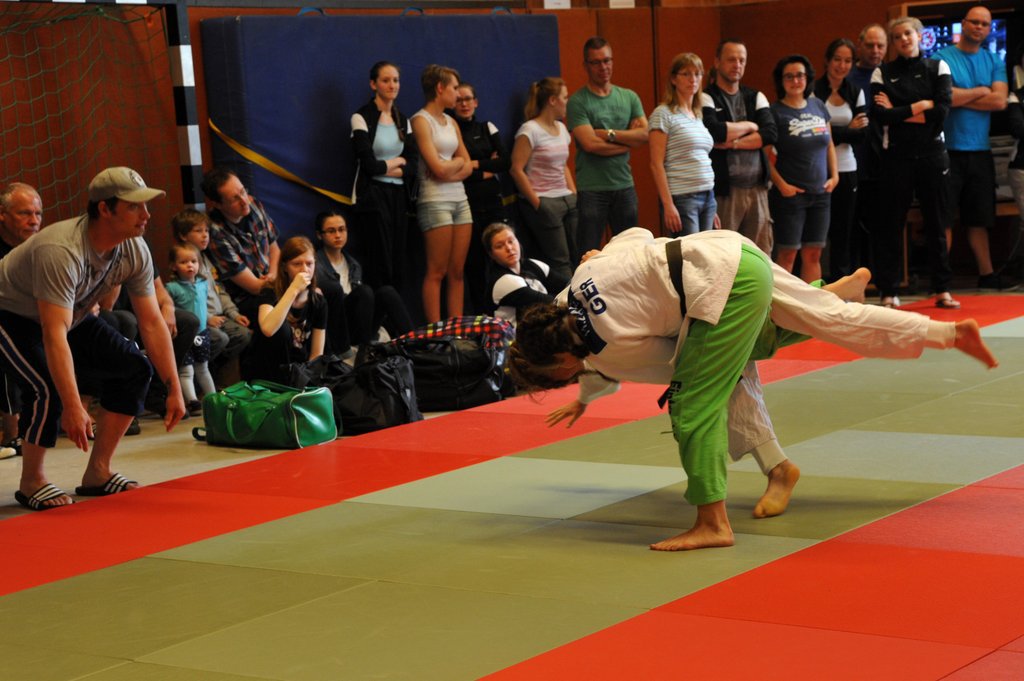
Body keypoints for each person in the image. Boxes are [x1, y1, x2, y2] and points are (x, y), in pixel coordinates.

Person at [510, 227, 997, 551]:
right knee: (827, 319)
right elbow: (636, 234)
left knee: (694, 404)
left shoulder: (603, 345)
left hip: (720, 288)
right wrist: (604, 258)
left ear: (561, 358)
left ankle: (712, 523)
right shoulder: (577, 282)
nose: (565, 380)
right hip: (729, 251)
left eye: (557, 377)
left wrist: (595, 392)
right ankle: (945, 332)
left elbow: (681, 367)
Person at [0, 167, 185, 510]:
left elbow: (151, 322)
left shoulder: (134, 249)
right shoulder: (61, 249)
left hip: (69, 316)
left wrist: (173, 386)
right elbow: (54, 334)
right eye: (134, 206)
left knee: (134, 368)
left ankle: (98, 472)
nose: (146, 215)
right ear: (104, 209)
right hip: (9, 315)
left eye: (146, 206)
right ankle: (31, 480)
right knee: (46, 387)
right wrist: (73, 405)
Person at [871, 16, 959, 309]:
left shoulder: (938, 67)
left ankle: (942, 289)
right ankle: (888, 291)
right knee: (891, 224)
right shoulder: (882, 72)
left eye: (908, 34)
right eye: (897, 37)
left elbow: (942, 111)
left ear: (919, 36)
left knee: (937, 222)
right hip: (896, 157)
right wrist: (921, 106)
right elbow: (881, 116)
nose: (903, 40)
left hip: (933, 155)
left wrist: (900, 111)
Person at [935, 6, 1010, 290]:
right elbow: (944, 97)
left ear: (989, 29)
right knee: (944, 218)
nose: (979, 27)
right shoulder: (941, 57)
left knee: (979, 218)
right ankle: (942, 279)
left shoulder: (993, 60)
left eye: (984, 24)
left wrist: (962, 96)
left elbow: (1000, 101)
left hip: (980, 151)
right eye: (974, 22)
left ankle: (987, 275)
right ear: (964, 24)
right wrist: (981, 91)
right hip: (947, 151)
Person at [567, 36, 648, 261]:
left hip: (624, 185)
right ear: (585, 65)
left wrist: (608, 134)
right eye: (596, 62)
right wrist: (627, 143)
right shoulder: (578, 101)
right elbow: (590, 144)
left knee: (631, 254)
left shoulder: (629, 97)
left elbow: (644, 135)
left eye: (607, 60)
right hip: (592, 189)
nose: (603, 67)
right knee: (587, 255)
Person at [767, 54, 839, 283]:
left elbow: (829, 144)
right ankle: (783, 304)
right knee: (787, 255)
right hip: (791, 197)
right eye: (789, 76)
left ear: (807, 78)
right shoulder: (774, 112)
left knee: (814, 254)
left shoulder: (818, 106)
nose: (795, 81)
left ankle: (811, 303)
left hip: (821, 194)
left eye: (800, 75)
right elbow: (764, 157)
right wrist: (782, 185)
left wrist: (835, 176)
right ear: (781, 81)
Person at [411, 64, 474, 323]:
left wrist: (450, 167)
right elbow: (435, 168)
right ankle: (435, 330)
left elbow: (467, 164)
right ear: (440, 88)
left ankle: (455, 328)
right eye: (454, 88)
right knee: (437, 271)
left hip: (460, 199)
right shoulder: (420, 120)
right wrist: (451, 165)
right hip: (434, 201)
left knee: (457, 271)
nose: (458, 94)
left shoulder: (451, 122)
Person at [701, 39, 776, 254]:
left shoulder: (756, 96)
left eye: (742, 60)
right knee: (725, 254)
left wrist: (733, 143)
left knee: (760, 254)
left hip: (758, 190)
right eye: (731, 59)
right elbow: (714, 132)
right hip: (726, 192)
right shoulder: (706, 97)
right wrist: (751, 126)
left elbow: (770, 133)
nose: (737, 65)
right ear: (717, 62)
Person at [350, 60, 417, 291]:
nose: (392, 85)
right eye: (386, 80)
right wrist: (398, 161)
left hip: (399, 194)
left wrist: (390, 166)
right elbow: (369, 166)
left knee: (398, 259)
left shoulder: (403, 120)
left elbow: (413, 164)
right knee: (380, 260)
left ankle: (396, 310)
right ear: (373, 84)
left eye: (395, 80)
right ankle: (380, 310)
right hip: (373, 196)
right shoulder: (361, 117)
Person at [171, 209, 252, 386]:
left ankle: (211, 372)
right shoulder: (186, 266)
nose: (205, 235)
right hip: (201, 321)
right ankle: (197, 376)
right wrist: (207, 318)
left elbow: (219, 289)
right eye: (198, 231)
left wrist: (233, 313)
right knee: (219, 339)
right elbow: (187, 301)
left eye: (206, 230)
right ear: (183, 235)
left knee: (243, 335)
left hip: (219, 316)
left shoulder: (205, 260)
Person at [510, 77, 578, 281]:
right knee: (560, 260)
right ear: (552, 100)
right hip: (545, 201)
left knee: (578, 253)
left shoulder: (561, 128)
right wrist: (538, 203)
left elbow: (563, 165)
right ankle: (569, 299)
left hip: (567, 199)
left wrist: (573, 193)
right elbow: (516, 169)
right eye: (565, 97)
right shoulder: (530, 130)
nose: (567, 102)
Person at [452, 82, 511, 313]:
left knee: (502, 257)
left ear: (475, 102)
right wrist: (487, 168)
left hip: (494, 204)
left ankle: (505, 309)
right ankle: (482, 315)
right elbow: (458, 172)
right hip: (469, 205)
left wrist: (473, 164)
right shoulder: (451, 131)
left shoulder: (487, 127)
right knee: (475, 264)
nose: (464, 104)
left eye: (468, 99)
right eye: (458, 99)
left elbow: (505, 162)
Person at [313, 211, 412, 349]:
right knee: (364, 292)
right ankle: (365, 351)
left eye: (342, 229)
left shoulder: (354, 264)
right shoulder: (315, 264)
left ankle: (415, 343)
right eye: (331, 231)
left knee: (387, 292)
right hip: (336, 327)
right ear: (319, 235)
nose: (338, 235)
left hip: (360, 325)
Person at [813, 39, 868, 281]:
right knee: (817, 233)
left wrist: (833, 133)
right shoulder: (814, 91)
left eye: (847, 61)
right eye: (837, 59)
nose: (842, 65)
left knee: (844, 232)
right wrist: (847, 129)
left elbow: (862, 135)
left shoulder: (855, 92)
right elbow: (814, 133)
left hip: (847, 167)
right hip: (818, 170)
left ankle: (841, 284)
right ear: (827, 61)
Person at [241, 236, 326, 385]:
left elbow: (316, 354)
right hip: (267, 371)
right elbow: (268, 329)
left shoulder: (318, 301)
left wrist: (308, 380)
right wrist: (293, 289)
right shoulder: (269, 291)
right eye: (297, 264)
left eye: (309, 263)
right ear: (285, 267)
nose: (304, 269)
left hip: (297, 372)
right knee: (281, 328)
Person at [649, 52, 717, 236]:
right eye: (686, 74)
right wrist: (668, 204)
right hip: (683, 197)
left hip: (708, 195)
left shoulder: (697, 114)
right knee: (690, 251)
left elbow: (700, 157)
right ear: (673, 79)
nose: (693, 79)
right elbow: (656, 164)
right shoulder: (663, 113)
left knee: (707, 250)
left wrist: (712, 204)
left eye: (697, 74)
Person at [201, 167, 280, 320]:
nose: (244, 201)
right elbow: (254, 287)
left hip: (272, 279)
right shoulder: (215, 233)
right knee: (282, 305)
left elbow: (275, 249)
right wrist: (279, 283)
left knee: (314, 293)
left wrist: (273, 275)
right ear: (218, 204)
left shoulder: (253, 204)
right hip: (246, 298)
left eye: (243, 191)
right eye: (234, 199)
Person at [0, 182, 43, 458]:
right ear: (2, 214)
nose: (34, 221)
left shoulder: (43, 248)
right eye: (25, 213)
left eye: (38, 214)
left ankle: (80, 412)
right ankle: (12, 433)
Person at [848, 24, 889, 275]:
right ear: (859, 45)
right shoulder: (848, 78)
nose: (875, 50)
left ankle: (882, 279)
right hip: (852, 163)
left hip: (884, 165)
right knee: (851, 227)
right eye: (870, 45)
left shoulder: (890, 76)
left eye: (880, 45)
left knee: (882, 225)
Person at [164, 243, 216, 414]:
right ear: (173, 266)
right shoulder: (171, 288)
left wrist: (209, 318)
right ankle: (192, 401)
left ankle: (214, 398)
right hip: (183, 336)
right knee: (186, 370)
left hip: (202, 333)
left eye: (194, 261)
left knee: (203, 368)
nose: (190, 265)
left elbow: (203, 306)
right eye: (183, 262)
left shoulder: (203, 283)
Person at [483, 222, 568, 325]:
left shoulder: (533, 264)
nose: (509, 248)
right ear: (491, 254)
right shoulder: (502, 281)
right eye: (499, 246)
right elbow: (552, 303)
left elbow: (568, 284)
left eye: (511, 241)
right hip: (514, 334)